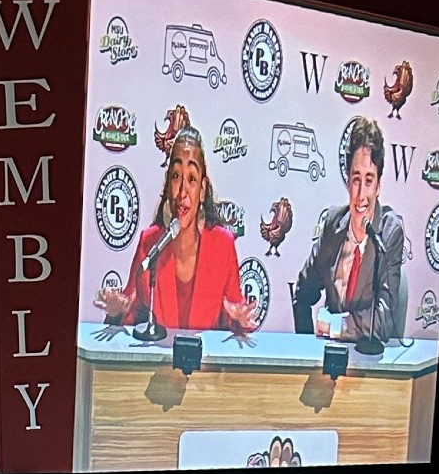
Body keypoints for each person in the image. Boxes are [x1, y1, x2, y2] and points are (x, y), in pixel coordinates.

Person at [94, 125, 257, 332]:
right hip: (159, 363)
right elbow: (130, 312)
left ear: (202, 189)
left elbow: (234, 315)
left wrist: (240, 322)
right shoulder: (149, 242)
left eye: (191, 179)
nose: (182, 191)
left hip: (204, 362)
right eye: (176, 176)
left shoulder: (223, 245)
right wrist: (116, 312)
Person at [292, 116, 405, 343]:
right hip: (330, 361)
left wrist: (333, 325)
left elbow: (384, 320)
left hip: (369, 364)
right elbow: (303, 293)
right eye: (355, 180)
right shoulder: (334, 224)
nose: (361, 194)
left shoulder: (390, 233)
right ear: (347, 182)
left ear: (379, 185)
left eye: (369, 180)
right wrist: (306, 350)